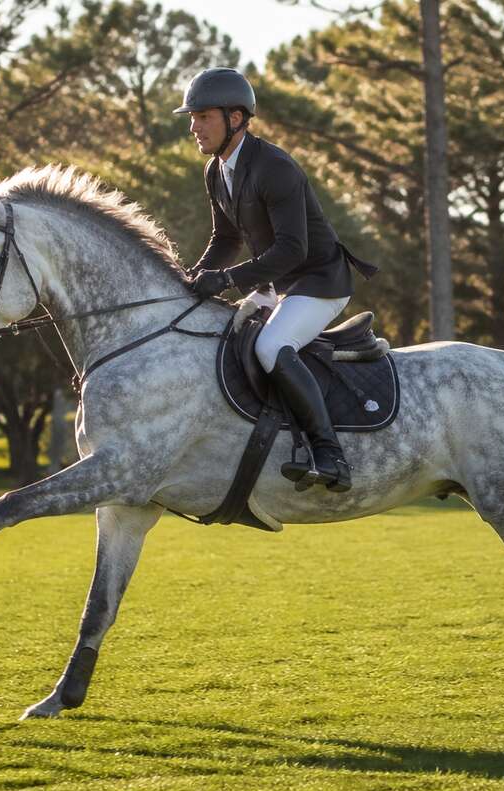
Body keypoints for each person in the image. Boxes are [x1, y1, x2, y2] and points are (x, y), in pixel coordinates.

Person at [176, 67, 377, 493]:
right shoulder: (216, 170)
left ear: (235, 118)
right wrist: (192, 280)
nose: (194, 127)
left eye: (203, 116)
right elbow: (225, 238)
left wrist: (227, 279)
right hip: (279, 284)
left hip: (320, 280)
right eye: (191, 118)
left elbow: (292, 250)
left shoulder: (274, 166)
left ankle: (330, 454)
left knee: (271, 346)